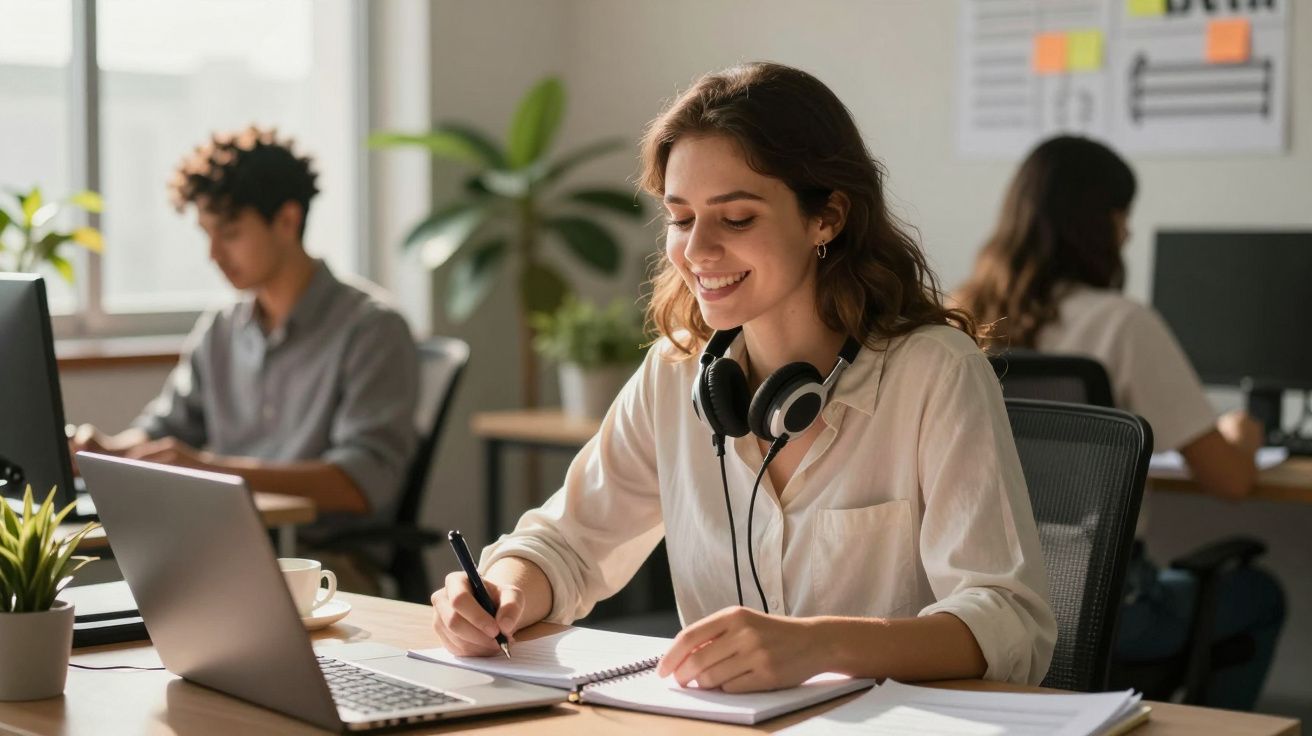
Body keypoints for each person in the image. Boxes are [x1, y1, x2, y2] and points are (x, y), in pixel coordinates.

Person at [431, 62, 1055, 692]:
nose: (696, 251)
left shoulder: (935, 374)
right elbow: (567, 544)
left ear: (827, 218)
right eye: (681, 218)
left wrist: (819, 645)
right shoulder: (675, 376)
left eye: (736, 219)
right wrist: (502, 592)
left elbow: (1009, 622)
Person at [956, 135, 1284, 710]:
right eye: (1121, 215)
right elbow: (1230, 481)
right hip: (1106, 611)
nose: (1128, 232)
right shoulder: (1122, 324)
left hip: (977, 612)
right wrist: (1242, 432)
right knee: (1260, 594)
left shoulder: (955, 319)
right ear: (1095, 223)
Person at [69, 126, 419, 525]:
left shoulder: (372, 328)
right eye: (207, 234)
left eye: (230, 234)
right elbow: (166, 429)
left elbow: (361, 483)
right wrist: (107, 452)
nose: (214, 254)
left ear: (288, 220)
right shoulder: (222, 327)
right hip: (223, 540)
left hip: (321, 562)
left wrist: (209, 469)